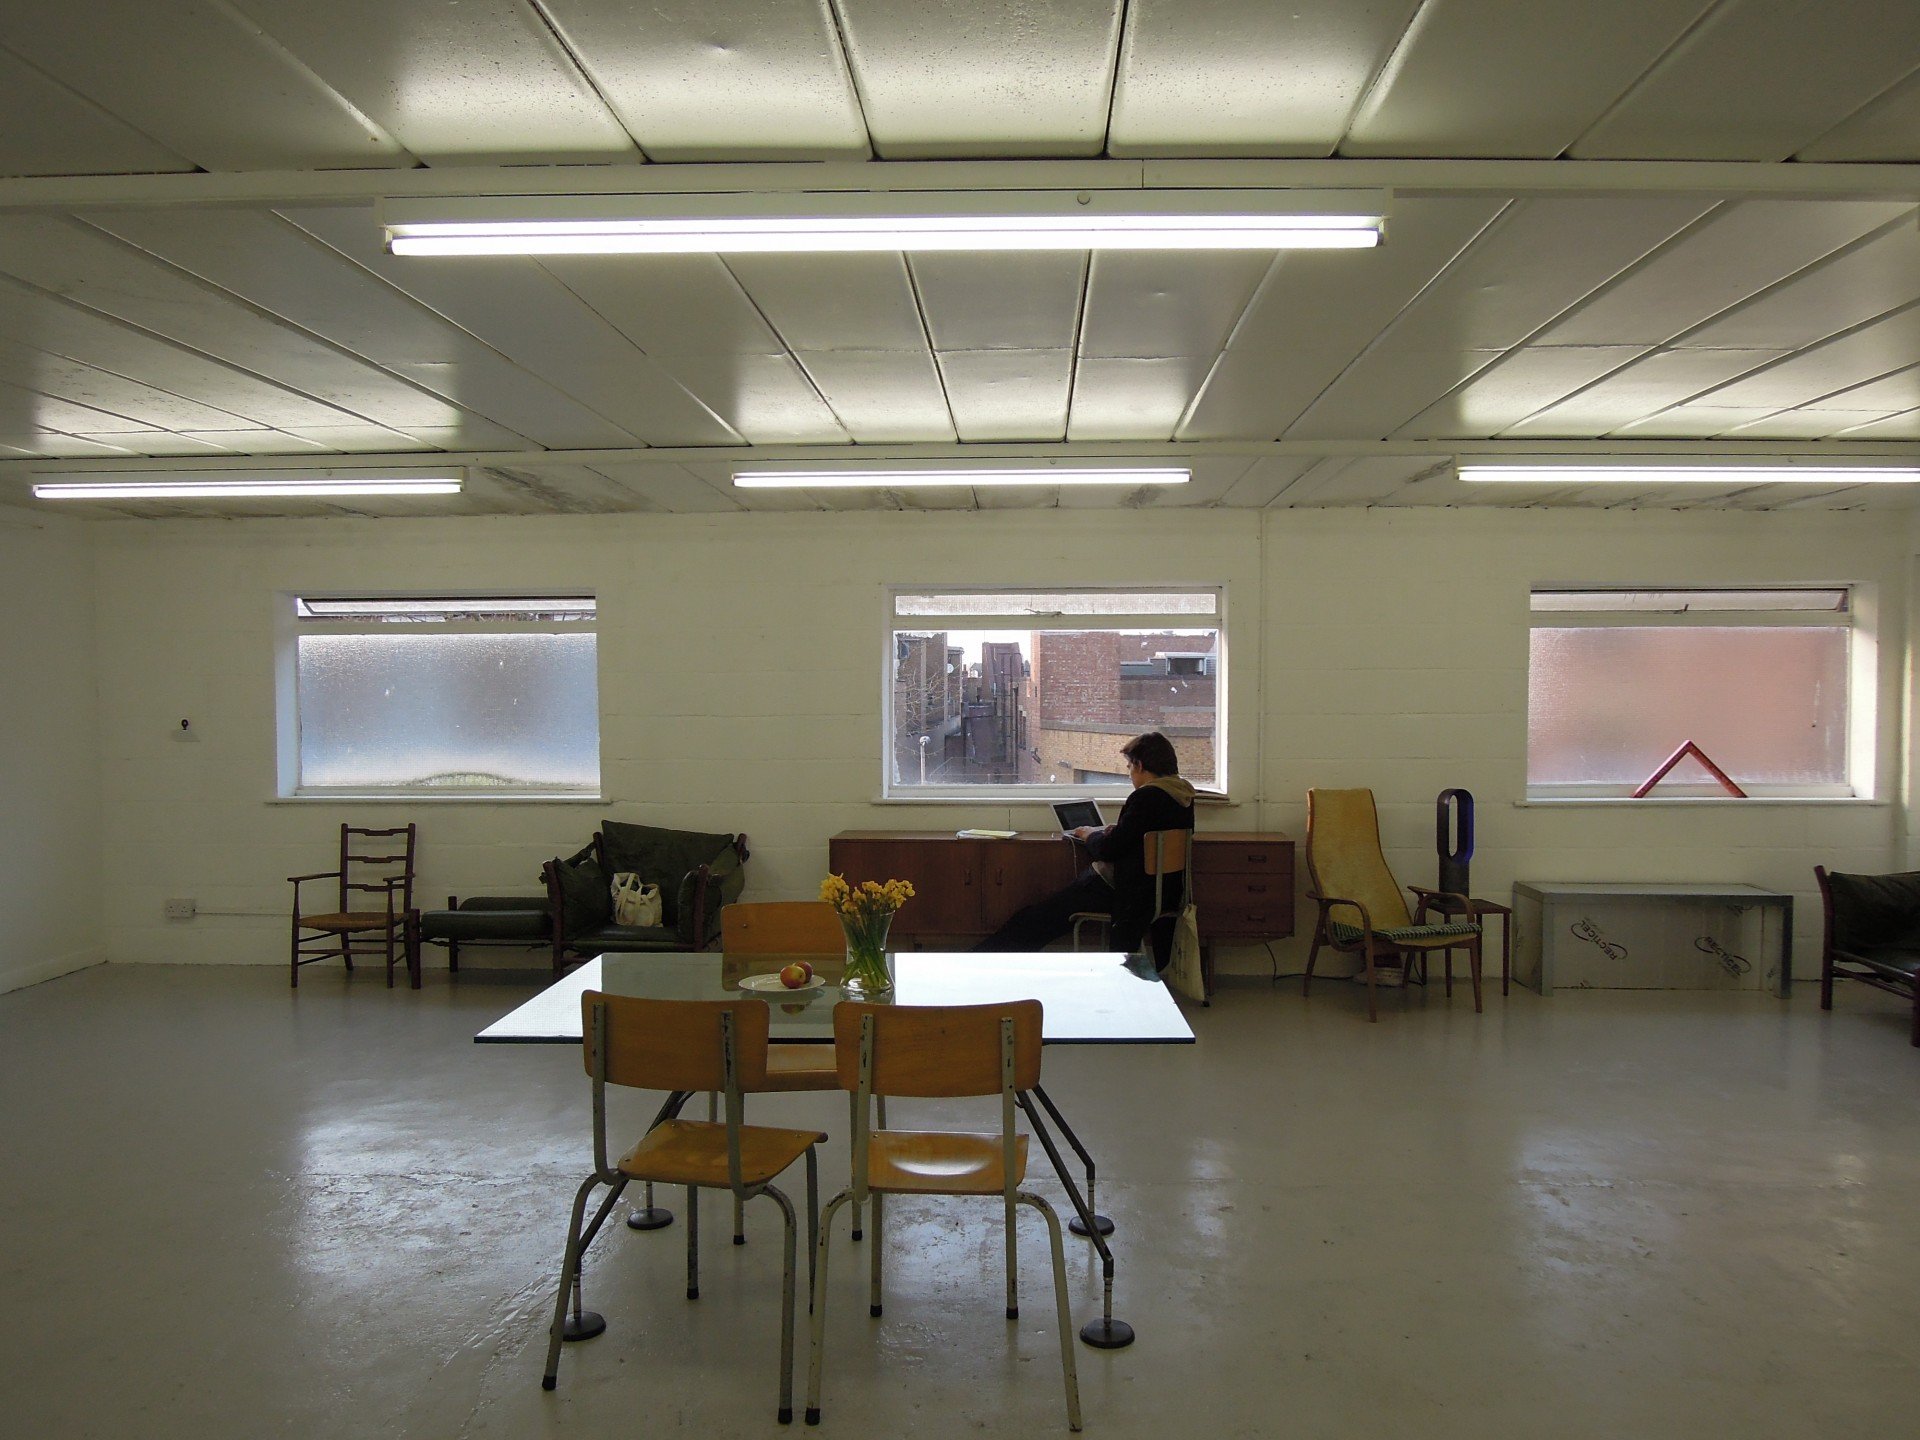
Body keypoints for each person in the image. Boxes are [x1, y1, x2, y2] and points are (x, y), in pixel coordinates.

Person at [975, 731, 1195, 968]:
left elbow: (1108, 850)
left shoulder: (1146, 797)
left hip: (1125, 891)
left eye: (1130, 767)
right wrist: (1119, 830)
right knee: (1038, 917)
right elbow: (1143, 836)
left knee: (1034, 918)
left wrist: (1090, 835)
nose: (1130, 774)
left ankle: (981, 962)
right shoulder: (1182, 795)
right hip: (1164, 891)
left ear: (1139, 765)